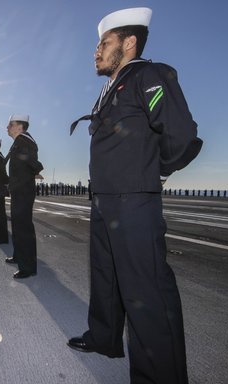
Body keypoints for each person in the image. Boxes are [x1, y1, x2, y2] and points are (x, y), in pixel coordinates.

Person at [68, 7, 202, 384]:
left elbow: (180, 134)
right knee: (105, 277)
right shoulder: (112, 87)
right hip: (105, 200)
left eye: (103, 43)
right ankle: (104, 337)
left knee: (147, 293)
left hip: (134, 202)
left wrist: (147, 171)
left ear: (128, 43)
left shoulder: (148, 75)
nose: (96, 51)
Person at [5, 114, 43, 279]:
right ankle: (19, 256)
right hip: (19, 189)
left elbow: (31, 160)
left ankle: (28, 268)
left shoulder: (23, 140)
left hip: (23, 190)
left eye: (10, 125)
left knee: (24, 228)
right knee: (18, 226)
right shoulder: (20, 141)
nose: (7, 127)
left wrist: (36, 170)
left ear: (19, 126)